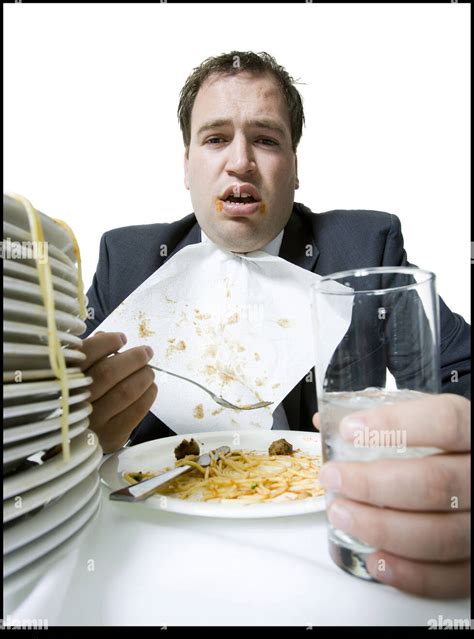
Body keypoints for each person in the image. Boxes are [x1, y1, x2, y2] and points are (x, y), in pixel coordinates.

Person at [81, 51, 470, 599]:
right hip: (155, 541)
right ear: (186, 163)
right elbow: (57, 417)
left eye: (265, 139)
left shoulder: (363, 247)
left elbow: (458, 373)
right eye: (215, 138)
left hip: (324, 538)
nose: (240, 161)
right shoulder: (125, 259)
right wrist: (81, 432)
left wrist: (448, 442)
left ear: (294, 163)